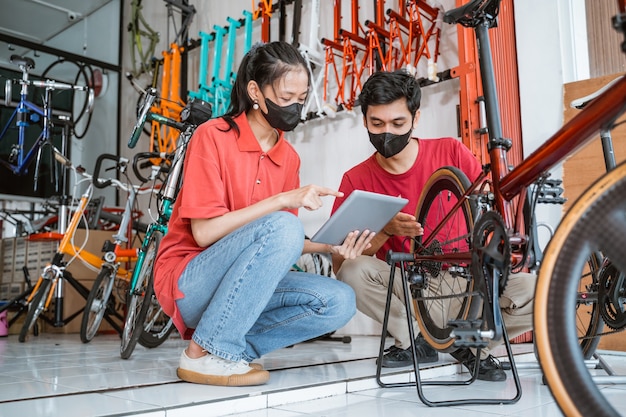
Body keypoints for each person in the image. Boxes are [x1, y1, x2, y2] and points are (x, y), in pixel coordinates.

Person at [154, 41, 374, 387]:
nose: (295, 108)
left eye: (301, 99)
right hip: (190, 281)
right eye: (286, 98)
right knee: (283, 222)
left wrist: (331, 245)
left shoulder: (289, 158)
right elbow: (205, 234)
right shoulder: (212, 136)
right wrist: (282, 200)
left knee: (339, 301)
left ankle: (230, 353)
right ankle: (202, 353)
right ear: (255, 91)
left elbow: (278, 245)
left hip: (242, 285)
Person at [331, 69, 535, 382]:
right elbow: (340, 261)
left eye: (398, 123)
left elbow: (488, 208)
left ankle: (469, 345)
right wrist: (387, 230)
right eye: (377, 123)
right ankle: (415, 340)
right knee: (352, 271)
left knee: (542, 290)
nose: (387, 132)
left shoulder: (450, 152)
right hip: (413, 286)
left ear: (416, 118)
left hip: (468, 280)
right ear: (365, 121)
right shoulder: (355, 180)